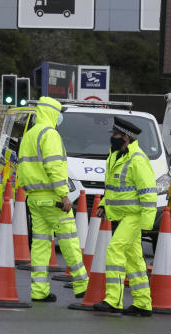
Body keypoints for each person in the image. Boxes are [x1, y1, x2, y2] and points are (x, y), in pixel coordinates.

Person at [17, 96, 89, 302]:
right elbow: (54, 166)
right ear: (52, 113)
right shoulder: (50, 135)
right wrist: (64, 195)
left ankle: (39, 291)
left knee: (40, 246)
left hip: (34, 198)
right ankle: (82, 285)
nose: (60, 118)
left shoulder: (30, 135)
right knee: (69, 241)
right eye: (59, 114)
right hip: (53, 199)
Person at [93, 116, 157, 317]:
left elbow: (148, 192)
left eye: (116, 135)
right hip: (123, 216)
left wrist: (147, 222)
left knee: (114, 250)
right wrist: (104, 204)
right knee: (135, 260)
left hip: (134, 216)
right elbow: (112, 188)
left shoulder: (137, 160)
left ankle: (113, 300)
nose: (113, 137)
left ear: (127, 138)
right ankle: (143, 303)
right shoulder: (115, 156)